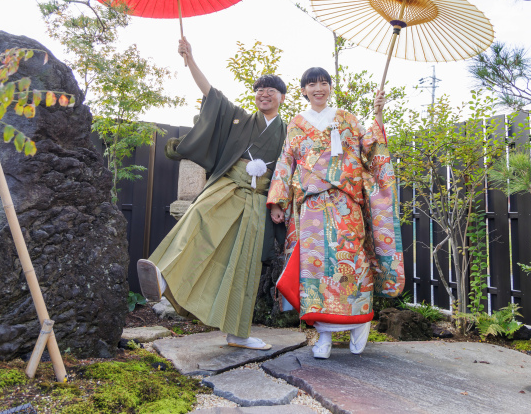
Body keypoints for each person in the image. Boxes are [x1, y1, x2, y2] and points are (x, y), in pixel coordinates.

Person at [137, 37, 287, 350]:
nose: (264, 94)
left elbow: (293, 167)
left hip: (258, 200)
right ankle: (163, 276)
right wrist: (190, 59)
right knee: (196, 222)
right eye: (260, 89)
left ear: (282, 97)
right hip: (228, 186)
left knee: (243, 264)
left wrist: (279, 202)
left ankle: (238, 332)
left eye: (271, 90)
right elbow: (211, 94)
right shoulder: (240, 119)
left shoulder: (289, 132)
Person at [267, 66, 404, 359]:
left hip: (345, 202)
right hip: (312, 206)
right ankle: (324, 337)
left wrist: (378, 114)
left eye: (324, 83)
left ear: (330, 87)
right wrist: (277, 200)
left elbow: (370, 148)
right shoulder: (296, 124)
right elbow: (286, 161)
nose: (318, 88)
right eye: (312, 84)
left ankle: (359, 324)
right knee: (315, 269)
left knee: (353, 261)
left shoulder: (346, 118)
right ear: (303, 91)